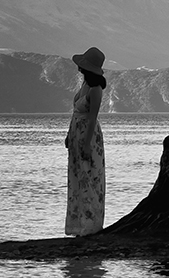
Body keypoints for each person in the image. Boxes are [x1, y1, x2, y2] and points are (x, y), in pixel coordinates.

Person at [64, 46, 107, 236]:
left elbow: (92, 118)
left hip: (88, 136)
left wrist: (87, 144)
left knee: (90, 178)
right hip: (76, 134)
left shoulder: (96, 90)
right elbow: (75, 114)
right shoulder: (84, 86)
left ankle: (90, 226)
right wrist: (68, 134)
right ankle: (78, 225)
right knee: (76, 178)